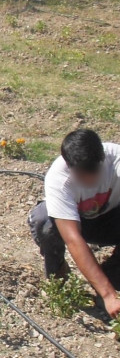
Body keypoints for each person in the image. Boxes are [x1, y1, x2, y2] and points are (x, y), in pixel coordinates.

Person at [28, 129, 120, 318]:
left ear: (102, 156)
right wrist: (108, 294)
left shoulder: (116, 160)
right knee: (44, 221)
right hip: (80, 224)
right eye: (81, 174)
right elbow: (73, 239)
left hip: (112, 220)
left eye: (94, 171)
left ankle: (112, 273)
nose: (90, 180)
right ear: (69, 165)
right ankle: (58, 275)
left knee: (112, 280)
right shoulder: (59, 179)